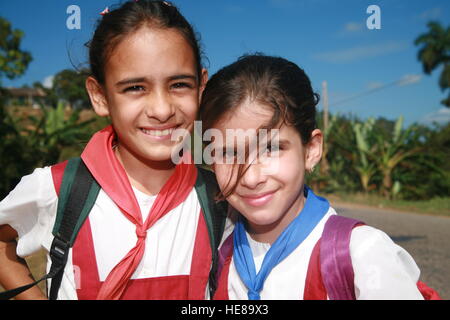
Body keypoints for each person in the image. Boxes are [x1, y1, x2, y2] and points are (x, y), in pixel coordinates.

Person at [0, 0, 222, 300]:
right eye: (134, 88)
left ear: (201, 88)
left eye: (179, 84)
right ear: (100, 96)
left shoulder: (220, 198)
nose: (160, 109)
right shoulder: (58, 188)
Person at [198, 54, 431, 300]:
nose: (251, 178)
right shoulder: (219, 247)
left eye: (271, 148)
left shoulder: (361, 254)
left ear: (311, 150)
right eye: (228, 152)